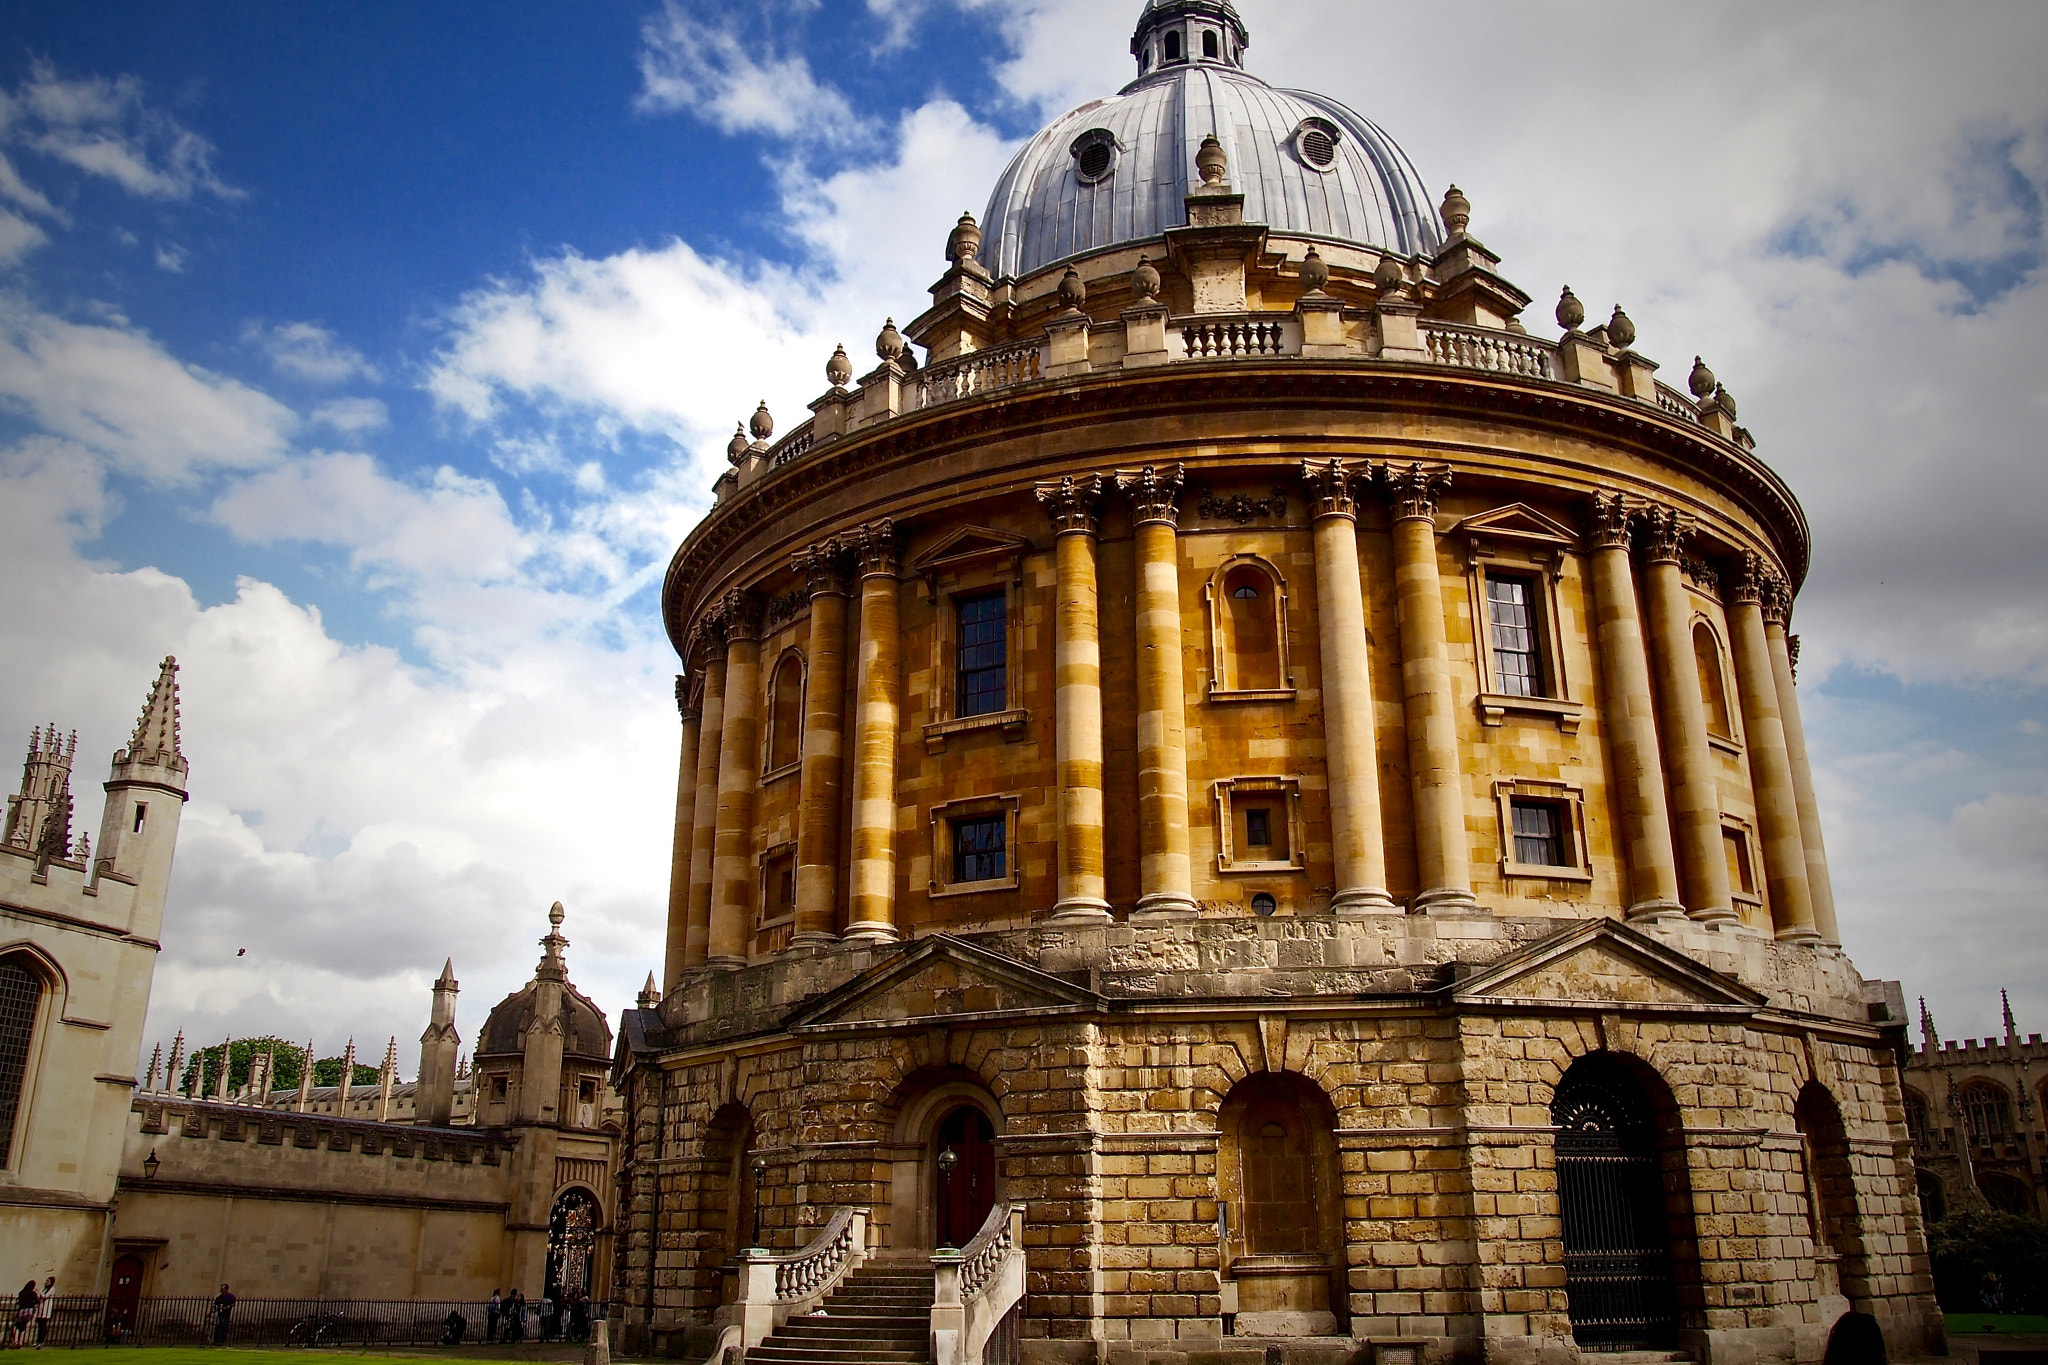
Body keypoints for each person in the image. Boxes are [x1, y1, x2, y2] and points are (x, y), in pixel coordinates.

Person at [11, 1282, 35, 1349]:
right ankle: (20, 1342)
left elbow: (19, 1302)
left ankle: (15, 1341)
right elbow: (37, 1301)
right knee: (23, 1326)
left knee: (16, 1325)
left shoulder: (22, 1292)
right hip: (29, 1311)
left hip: (22, 1310)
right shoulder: (33, 1293)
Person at [32, 1279, 53, 1349]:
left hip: (46, 1311)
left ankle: (41, 1342)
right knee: (40, 1326)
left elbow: (45, 1296)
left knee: (43, 1326)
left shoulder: (52, 1289)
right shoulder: (44, 1289)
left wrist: (39, 1291)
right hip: (41, 1310)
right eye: (46, 1281)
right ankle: (38, 1341)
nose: (46, 1282)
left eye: (48, 1281)